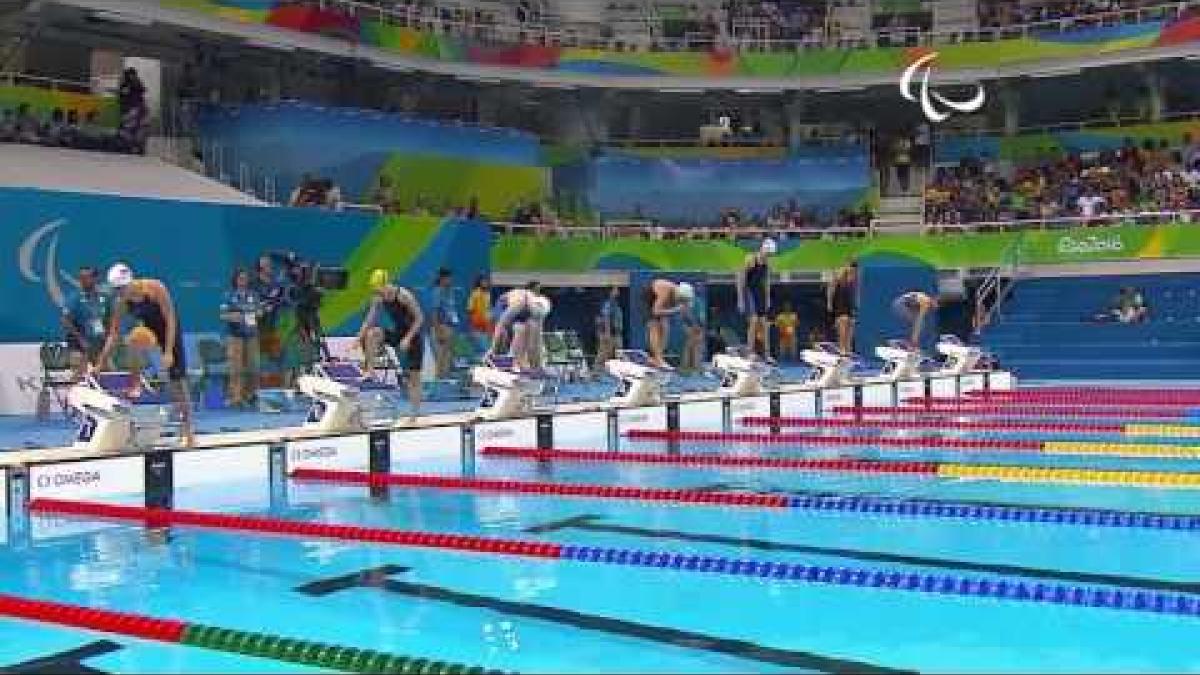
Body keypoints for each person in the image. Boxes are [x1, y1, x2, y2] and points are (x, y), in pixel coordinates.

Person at [95, 263, 194, 447]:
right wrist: (101, 362)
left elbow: (170, 319)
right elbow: (113, 334)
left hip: (169, 330)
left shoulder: (156, 288)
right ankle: (136, 382)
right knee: (133, 339)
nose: (120, 292)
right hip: (149, 331)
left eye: (122, 288)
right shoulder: (121, 302)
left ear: (131, 282)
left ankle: (189, 432)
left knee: (177, 381)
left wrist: (169, 351)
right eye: (117, 289)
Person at [359, 270, 425, 421]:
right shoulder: (378, 298)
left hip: (413, 337)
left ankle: (414, 415)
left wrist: (408, 338)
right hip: (398, 333)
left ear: (385, 284)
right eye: (374, 288)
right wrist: (358, 337)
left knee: (414, 377)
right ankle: (370, 370)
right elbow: (369, 319)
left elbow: (420, 318)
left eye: (378, 287)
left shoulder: (404, 295)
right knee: (372, 334)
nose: (376, 291)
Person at [220, 268, 262, 407]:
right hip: (235, 337)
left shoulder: (253, 295)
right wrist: (235, 317)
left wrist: (258, 312)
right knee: (236, 368)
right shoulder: (229, 295)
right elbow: (223, 315)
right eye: (240, 278)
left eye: (245, 278)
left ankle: (250, 396)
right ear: (236, 280)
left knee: (253, 367)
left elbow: (260, 311)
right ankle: (235, 398)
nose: (243, 280)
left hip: (251, 336)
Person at [60, 266, 111, 377]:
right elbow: (65, 320)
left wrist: (107, 337)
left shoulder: (104, 298)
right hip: (79, 344)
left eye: (86, 277)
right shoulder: (74, 298)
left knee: (105, 375)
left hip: (98, 345)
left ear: (95, 278)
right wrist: (80, 339)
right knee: (78, 377)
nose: (82, 280)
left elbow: (109, 320)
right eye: (81, 277)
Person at [488, 285, 551, 370]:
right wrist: (493, 349)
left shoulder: (539, 312)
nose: (537, 316)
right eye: (536, 314)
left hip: (524, 309)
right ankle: (494, 357)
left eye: (539, 315)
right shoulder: (519, 304)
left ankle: (533, 364)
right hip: (504, 304)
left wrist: (537, 365)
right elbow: (501, 325)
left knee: (532, 331)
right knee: (516, 330)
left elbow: (536, 342)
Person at [643, 278, 695, 369]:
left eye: (683, 300)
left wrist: (690, 325)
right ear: (678, 294)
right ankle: (658, 359)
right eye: (681, 299)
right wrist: (675, 310)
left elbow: (685, 312)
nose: (681, 302)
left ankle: (658, 357)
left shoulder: (681, 296)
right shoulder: (665, 292)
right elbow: (656, 311)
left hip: (662, 303)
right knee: (654, 325)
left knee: (665, 328)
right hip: (650, 297)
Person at [737, 238, 775, 359]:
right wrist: (740, 299)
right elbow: (740, 279)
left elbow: (767, 281)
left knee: (765, 324)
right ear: (763, 250)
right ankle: (749, 353)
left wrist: (768, 298)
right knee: (753, 321)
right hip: (749, 292)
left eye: (770, 255)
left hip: (760, 293)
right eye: (768, 254)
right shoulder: (750, 259)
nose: (768, 256)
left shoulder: (767, 263)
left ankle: (767, 354)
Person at [430, 267, 462, 378]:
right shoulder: (437, 292)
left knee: (449, 357)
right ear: (443, 279)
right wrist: (438, 331)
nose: (451, 280)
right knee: (441, 358)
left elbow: (451, 311)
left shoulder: (449, 292)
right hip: (441, 327)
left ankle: (445, 380)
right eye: (449, 278)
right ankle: (439, 382)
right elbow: (434, 312)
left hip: (450, 327)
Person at [828, 260, 858, 355]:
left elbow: (856, 291)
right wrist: (829, 303)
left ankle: (848, 349)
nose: (852, 271)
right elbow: (831, 289)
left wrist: (856, 302)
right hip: (840, 305)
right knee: (843, 324)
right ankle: (842, 349)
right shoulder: (838, 277)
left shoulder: (854, 277)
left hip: (849, 304)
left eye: (853, 269)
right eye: (850, 268)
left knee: (851, 325)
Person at [595, 286, 624, 370]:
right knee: (603, 355)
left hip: (617, 333)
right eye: (615, 289)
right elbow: (606, 318)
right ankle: (596, 373)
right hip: (609, 333)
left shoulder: (616, 303)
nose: (618, 291)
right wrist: (607, 333)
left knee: (618, 354)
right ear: (610, 291)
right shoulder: (608, 304)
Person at [467, 275, 493, 354]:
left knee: (488, 345)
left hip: (487, 322)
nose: (485, 283)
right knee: (481, 345)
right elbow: (470, 309)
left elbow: (489, 308)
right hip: (478, 323)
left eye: (486, 281)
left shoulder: (488, 294)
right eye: (483, 281)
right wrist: (474, 322)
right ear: (479, 282)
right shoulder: (475, 294)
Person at [679, 300, 704, 373]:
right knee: (691, 345)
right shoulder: (695, 303)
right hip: (690, 325)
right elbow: (691, 316)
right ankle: (687, 366)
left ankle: (691, 366)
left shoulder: (695, 303)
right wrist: (696, 326)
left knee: (692, 345)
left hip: (690, 325)